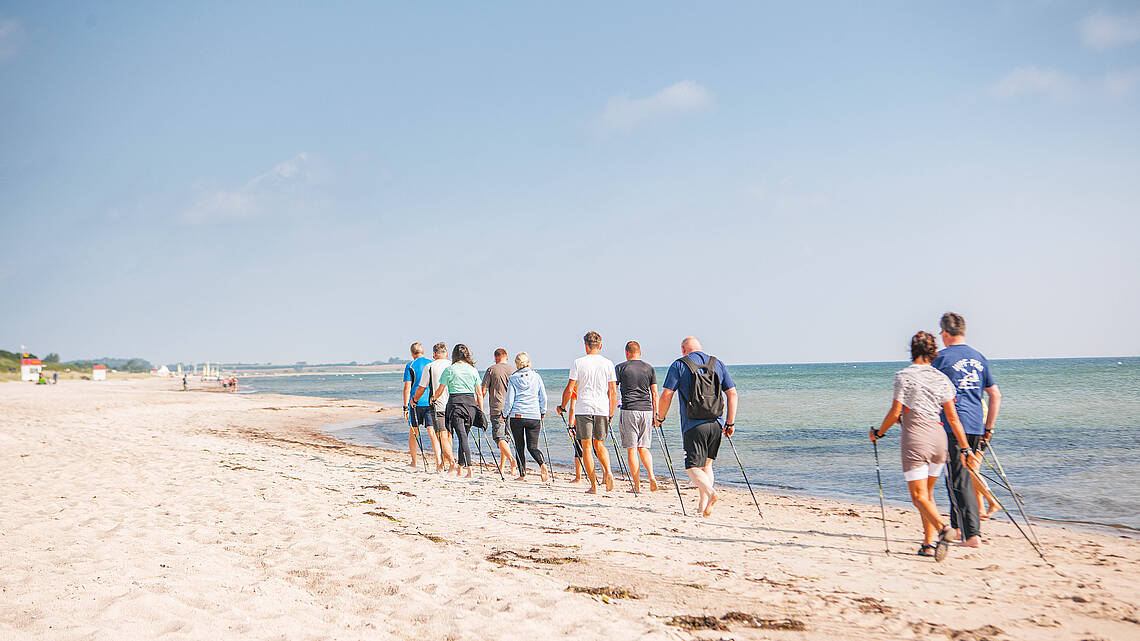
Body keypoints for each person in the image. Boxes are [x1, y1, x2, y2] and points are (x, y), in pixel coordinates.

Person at [871, 331, 974, 561]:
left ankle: (943, 529)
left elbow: (896, 411)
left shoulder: (903, 376)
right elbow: (953, 418)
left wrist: (878, 433)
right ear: (933, 352)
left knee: (918, 497)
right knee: (927, 495)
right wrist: (966, 448)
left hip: (916, 438)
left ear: (912, 350)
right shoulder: (942, 379)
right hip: (939, 439)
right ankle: (928, 545)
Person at [932, 312, 1002, 548]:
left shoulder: (940, 358)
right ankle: (960, 529)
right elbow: (995, 395)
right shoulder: (979, 357)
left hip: (954, 425)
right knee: (959, 478)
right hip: (976, 424)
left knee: (959, 480)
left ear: (944, 333)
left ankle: (973, 535)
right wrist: (989, 428)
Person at [654, 336, 738, 517]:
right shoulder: (717, 363)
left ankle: (711, 493)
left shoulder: (679, 365)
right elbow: (732, 394)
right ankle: (703, 506)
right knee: (707, 465)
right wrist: (730, 422)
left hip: (693, 424)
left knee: (692, 468)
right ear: (700, 348)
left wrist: (660, 418)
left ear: (684, 349)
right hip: (717, 422)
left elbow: (667, 395)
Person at [559, 331, 617, 495]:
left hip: (584, 408)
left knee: (586, 447)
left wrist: (562, 406)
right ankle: (609, 472)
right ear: (600, 346)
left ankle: (593, 486)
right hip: (602, 408)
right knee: (599, 444)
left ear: (586, 346)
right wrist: (610, 413)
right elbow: (613, 392)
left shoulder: (578, 362)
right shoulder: (608, 363)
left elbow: (570, 389)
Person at [431, 344, 483, 478]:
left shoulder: (450, 370)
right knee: (463, 437)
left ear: (453, 355)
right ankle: (460, 469)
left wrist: (433, 398)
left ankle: (469, 468)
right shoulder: (473, 370)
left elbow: (440, 390)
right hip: (470, 405)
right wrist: (480, 411)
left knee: (462, 437)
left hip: (456, 405)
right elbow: (479, 393)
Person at [616, 341, 659, 494]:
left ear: (627, 352)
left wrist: (612, 407)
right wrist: (656, 415)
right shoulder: (649, 368)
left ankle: (637, 485)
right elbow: (654, 393)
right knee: (644, 447)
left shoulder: (621, 367)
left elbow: (613, 390)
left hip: (629, 410)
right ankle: (651, 476)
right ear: (640, 352)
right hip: (646, 410)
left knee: (632, 449)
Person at [502, 352, 550, 482]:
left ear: (517, 364)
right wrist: (542, 411)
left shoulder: (513, 378)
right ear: (528, 362)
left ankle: (522, 475)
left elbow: (510, 400)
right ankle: (542, 464)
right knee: (532, 446)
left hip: (517, 416)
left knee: (519, 446)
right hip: (534, 415)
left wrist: (504, 414)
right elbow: (543, 396)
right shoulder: (536, 376)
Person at [414, 342, 454, 472]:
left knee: (441, 435)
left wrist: (414, 399)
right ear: (446, 354)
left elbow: (422, 387)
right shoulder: (453, 365)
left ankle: (449, 462)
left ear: (434, 354)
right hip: (453, 404)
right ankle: (445, 462)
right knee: (449, 435)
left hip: (438, 405)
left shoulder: (430, 366)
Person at [402, 342, 441, 469]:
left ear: (412, 353)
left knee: (413, 432)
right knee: (432, 432)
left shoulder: (410, 365)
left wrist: (405, 407)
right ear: (423, 352)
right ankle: (438, 462)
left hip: (415, 403)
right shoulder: (431, 363)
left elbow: (407, 388)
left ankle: (414, 462)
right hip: (430, 402)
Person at [482, 348, 517, 477]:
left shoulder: (491, 370)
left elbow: (483, 390)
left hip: (497, 408)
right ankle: (503, 467)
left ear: (495, 357)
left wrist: (478, 403)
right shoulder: (513, 370)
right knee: (506, 438)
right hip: (512, 408)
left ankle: (512, 461)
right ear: (506, 357)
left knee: (498, 437)